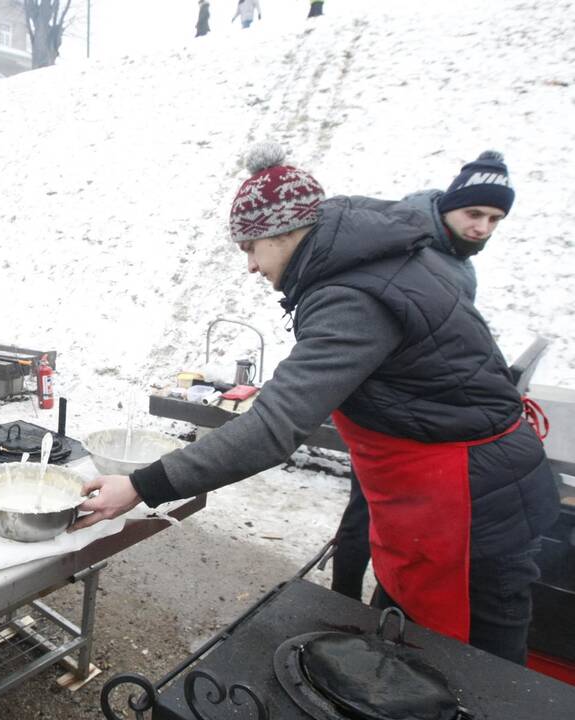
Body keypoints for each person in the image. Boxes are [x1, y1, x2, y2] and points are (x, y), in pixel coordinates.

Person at [75, 143, 559, 665]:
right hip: (437, 496)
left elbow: (271, 432)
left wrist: (141, 486)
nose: (251, 267)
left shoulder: (353, 295)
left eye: (251, 248)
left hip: (467, 507)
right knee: (408, 647)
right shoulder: (370, 259)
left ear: (286, 234)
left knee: (475, 675)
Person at [331, 150, 518, 601]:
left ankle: (370, 607)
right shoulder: (410, 249)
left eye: (494, 219)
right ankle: (341, 604)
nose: (482, 228)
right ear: (448, 205)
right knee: (368, 513)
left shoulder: (459, 260)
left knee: (392, 521)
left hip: (421, 414)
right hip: (387, 411)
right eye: (474, 213)